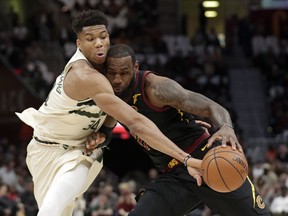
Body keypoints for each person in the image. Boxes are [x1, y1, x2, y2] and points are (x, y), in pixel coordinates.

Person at [15, 10, 204, 216]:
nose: (98, 43)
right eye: (90, 39)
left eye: (103, 37)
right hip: (44, 149)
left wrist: (179, 122)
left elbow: (127, 114)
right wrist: (186, 158)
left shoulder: (111, 68)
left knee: (51, 210)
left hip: (80, 153)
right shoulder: (84, 75)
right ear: (78, 44)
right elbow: (135, 120)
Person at [96, 44, 270, 216]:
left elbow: (210, 106)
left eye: (124, 73)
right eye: (112, 73)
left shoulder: (156, 88)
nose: (117, 79)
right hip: (175, 173)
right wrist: (99, 138)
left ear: (135, 67)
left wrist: (226, 127)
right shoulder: (111, 95)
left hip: (206, 160)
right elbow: (108, 131)